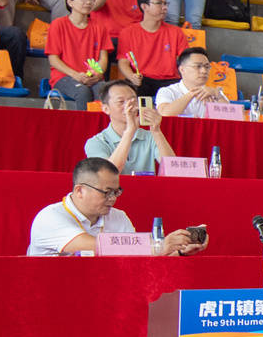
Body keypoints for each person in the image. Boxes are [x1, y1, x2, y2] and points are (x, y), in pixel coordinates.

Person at [28, 157, 203, 256]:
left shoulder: (118, 216)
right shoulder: (50, 217)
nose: (113, 199)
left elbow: (137, 256)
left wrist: (178, 250)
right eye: (107, 192)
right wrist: (158, 245)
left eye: (116, 192)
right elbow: (93, 245)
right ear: (80, 190)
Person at [43, 0, 115, 106]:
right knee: (82, 91)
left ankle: (102, 124)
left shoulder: (99, 27)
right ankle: (84, 125)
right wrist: (75, 75)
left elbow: (103, 58)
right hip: (65, 76)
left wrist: (98, 74)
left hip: (92, 76)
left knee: (104, 91)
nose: (88, 2)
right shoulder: (58, 25)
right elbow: (53, 59)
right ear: (70, 2)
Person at [85, 81, 172, 174]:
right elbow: (108, 173)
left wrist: (157, 131)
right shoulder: (96, 142)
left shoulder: (150, 136)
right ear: (106, 109)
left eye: (133, 101)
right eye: (121, 102)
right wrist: (130, 131)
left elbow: (171, 169)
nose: (129, 107)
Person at [115, 0, 188, 96]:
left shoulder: (176, 32)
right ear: (144, 6)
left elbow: (186, 60)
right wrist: (132, 76)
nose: (165, 8)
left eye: (165, 3)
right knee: (131, 90)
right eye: (159, 3)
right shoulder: (128, 32)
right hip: (142, 79)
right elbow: (123, 61)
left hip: (170, 81)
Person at [154, 47, 230, 117]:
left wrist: (218, 95)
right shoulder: (168, 91)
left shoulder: (214, 93)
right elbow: (164, 114)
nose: (204, 71)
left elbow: (232, 118)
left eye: (207, 67)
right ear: (182, 69)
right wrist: (193, 93)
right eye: (198, 66)